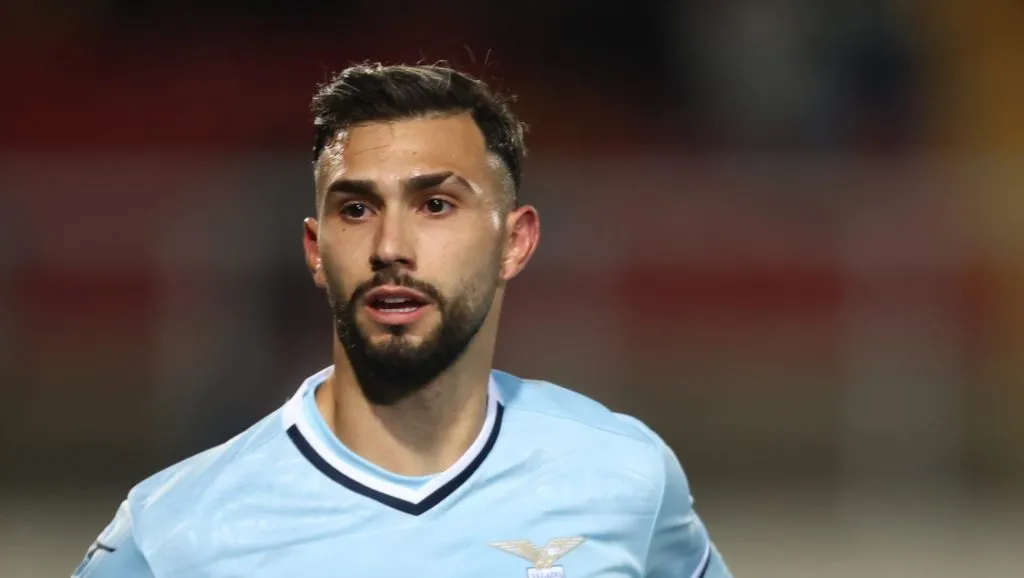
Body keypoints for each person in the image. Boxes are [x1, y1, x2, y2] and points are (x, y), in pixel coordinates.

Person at [73, 62, 731, 578]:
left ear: (515, 242)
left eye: (435, 205)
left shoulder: (623, 477)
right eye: (356, 209)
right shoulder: (174, 531)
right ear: (315, 250)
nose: (390, 246)